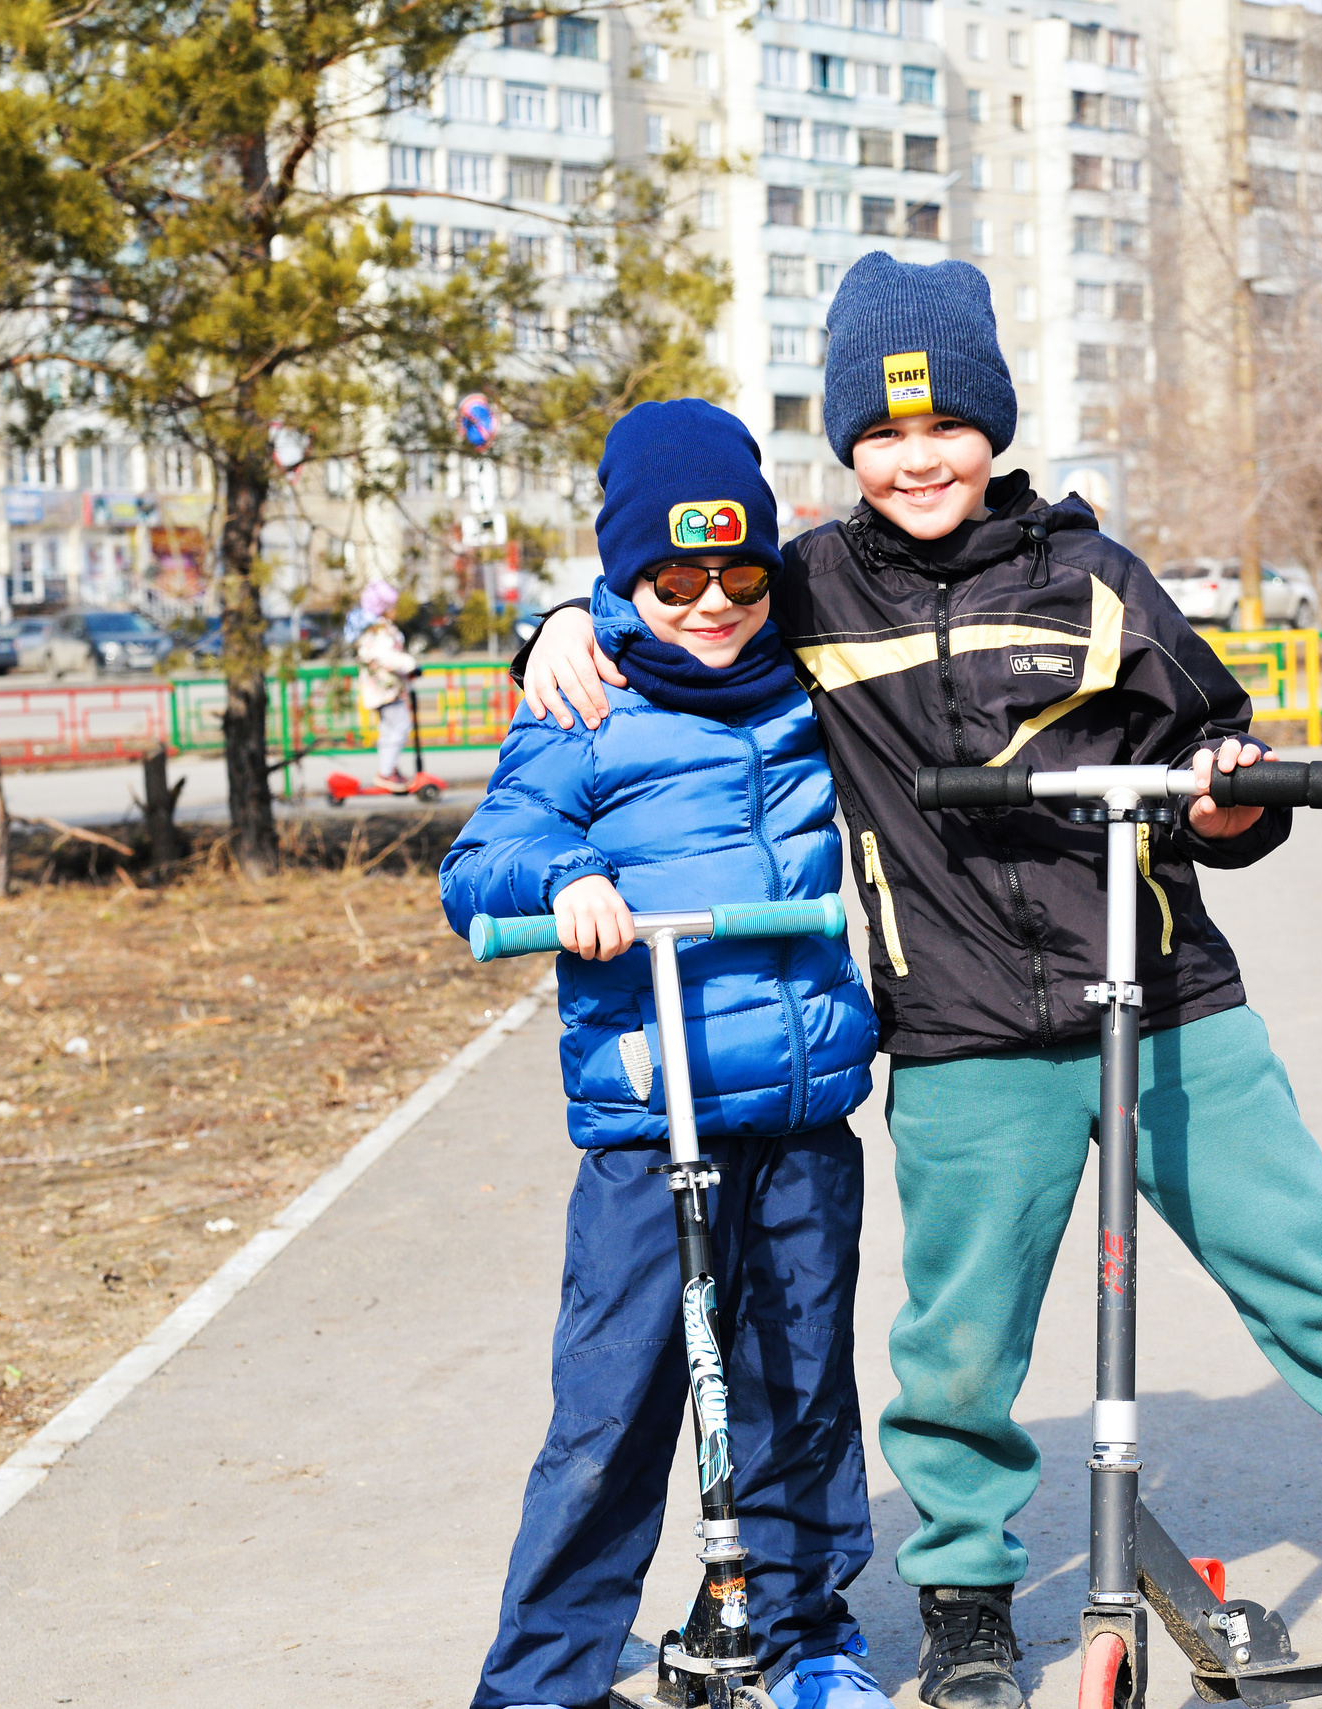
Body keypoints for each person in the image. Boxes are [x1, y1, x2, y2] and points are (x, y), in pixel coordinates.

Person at [517, 257, 1322, 1709]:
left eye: (947, 428)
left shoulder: (1094, 581)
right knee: (957, 1339)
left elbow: (1223, 749)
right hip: (965, 1029)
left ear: (994, 430)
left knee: (1309, 1260)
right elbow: (682, 616)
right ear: (850, 447)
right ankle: (966, 1592)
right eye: (887, 435)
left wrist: (1229, 799)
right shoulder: (816, 595)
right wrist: (562, 623)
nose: (919, 459)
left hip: (1163, 1000)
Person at [441, 399, 891, 1709]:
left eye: (738, 573)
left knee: (800, 1390)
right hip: (655, 1116)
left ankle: (803, 1636)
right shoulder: (586, 699)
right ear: (628, 574)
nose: (709, 602)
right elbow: (482, 865)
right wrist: (566, 875)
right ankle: (543, 1675)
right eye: (672, 577)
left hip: (798, 1107)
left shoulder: (809, 673)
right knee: (614, 1411)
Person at [349, 581, 419, 784]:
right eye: (392, 606)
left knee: (389, 730)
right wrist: (410, 664)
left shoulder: (372, 629)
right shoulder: (381, 631)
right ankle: (386, 772)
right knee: (400, 726)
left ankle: (388, 768)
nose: (396, 611)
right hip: (386, 689)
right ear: (384, 608)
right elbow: (387, 657)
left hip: (382, 688)